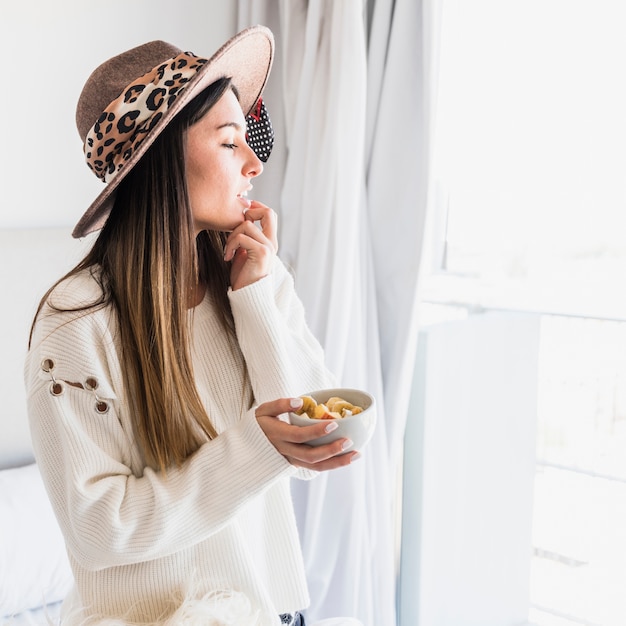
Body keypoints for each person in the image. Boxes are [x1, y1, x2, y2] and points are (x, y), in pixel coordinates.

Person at [25, 26, 361, 626]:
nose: (255, 162)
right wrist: (254, 449)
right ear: (161, 161)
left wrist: (256, 295)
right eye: (230, 142)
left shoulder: (251, 275)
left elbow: (313, 422)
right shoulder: (76, 322)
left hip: (279, 614)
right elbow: (99, 527)